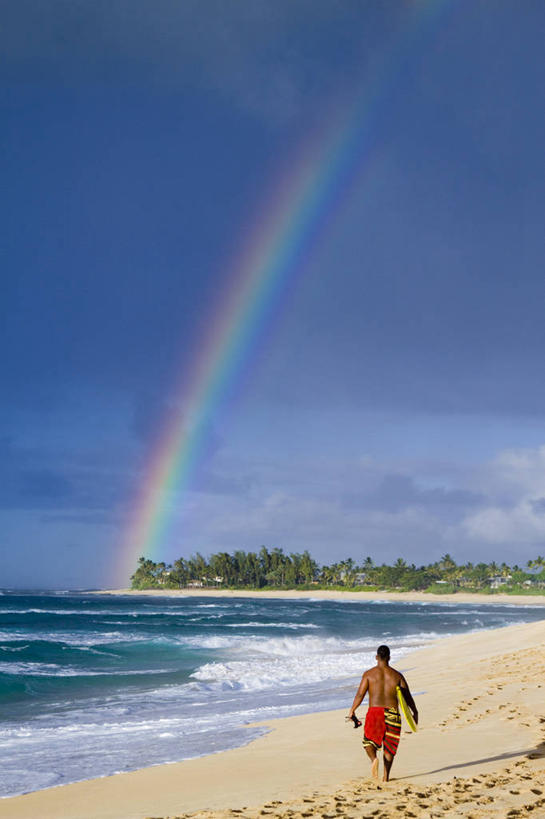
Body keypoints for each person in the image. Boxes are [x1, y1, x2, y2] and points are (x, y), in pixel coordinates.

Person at [347, 644, 418, 782]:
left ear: (376, 657)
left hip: (375, 712)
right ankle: (386, 777)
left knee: (368, 742)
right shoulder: (397, 676)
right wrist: (414, 712)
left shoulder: (368, 675)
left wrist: (352, 710)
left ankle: (374, 759)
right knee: (390, 746)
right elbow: (407, 696)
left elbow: (360, 695)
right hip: (392, 713)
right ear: (389, 658)